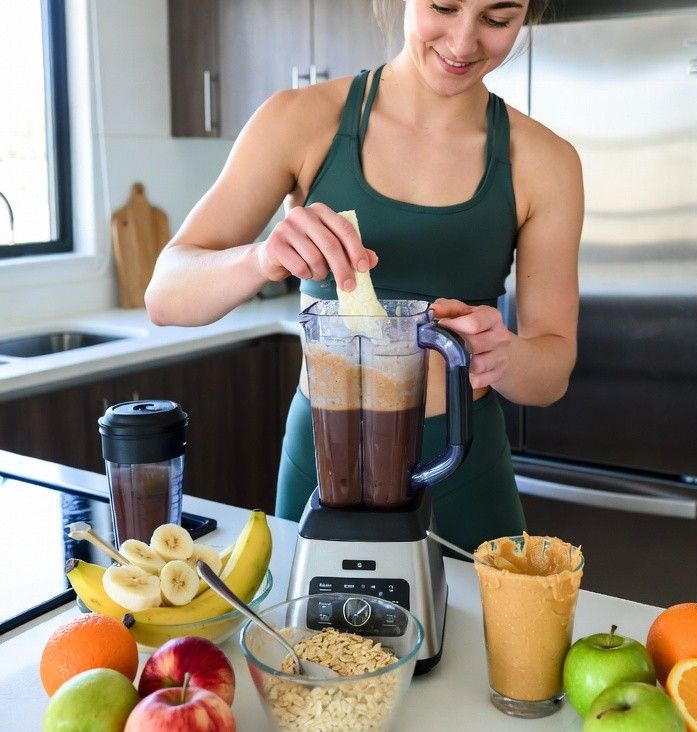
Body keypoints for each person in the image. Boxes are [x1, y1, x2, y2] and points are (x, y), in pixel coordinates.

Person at [145, 0, 583, 553]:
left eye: (498, 20)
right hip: (324, 462)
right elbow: (165, 294)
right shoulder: (300, 121)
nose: (464, 41)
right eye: (444, 7)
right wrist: (261, 259)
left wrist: (504, 355)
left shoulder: (545, 162)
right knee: (309, 640)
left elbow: (552, 371)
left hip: (465, 466)